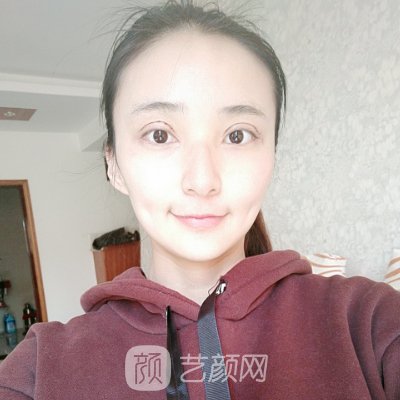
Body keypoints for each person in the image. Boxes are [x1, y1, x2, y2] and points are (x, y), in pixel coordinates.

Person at [0, 0, 399, 399]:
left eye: (237, 135)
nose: (203, 180)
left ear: (272, 158)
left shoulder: (367, 322)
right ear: (114, 165)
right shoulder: (39, 368)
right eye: (159, 134)